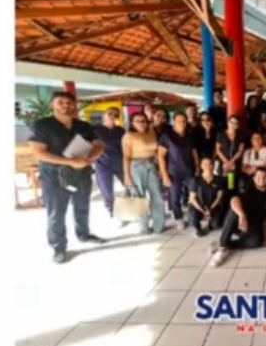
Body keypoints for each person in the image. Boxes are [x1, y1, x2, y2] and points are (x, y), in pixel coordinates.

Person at [28, 91, 106, 263]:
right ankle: (59, 247)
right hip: (54, 177)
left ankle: (84, 234)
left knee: (82, 207)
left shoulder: (83, 126)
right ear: (52, 105)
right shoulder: (43, 124)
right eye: (61, 102)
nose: (66, 106)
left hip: (81, 174)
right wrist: (70, 161)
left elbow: (98, 145)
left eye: (69, 103)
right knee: (56, 213)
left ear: (75, 106)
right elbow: (38, 152)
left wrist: (91, 157)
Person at [207, 167, 266, 267]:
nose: (261, 179)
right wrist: (242, 215)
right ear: (253, 179)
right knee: (233, 212)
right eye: (258, 177)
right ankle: (223, 247)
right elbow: (234, 200)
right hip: (239, 222)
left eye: (264, 177)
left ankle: (226, 244)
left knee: (257, 242)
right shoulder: (248, 189)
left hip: (253, 223)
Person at [122, 112, 167, 235]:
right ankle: (144, 227)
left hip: (151, 165)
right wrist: (126, 175)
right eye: (137, 121)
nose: (141, 123)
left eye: (143, 121)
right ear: (132, 123)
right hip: (136, 167)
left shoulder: (151, 133)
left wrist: (159, 166)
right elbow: (126, 156)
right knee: (140, 198)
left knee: (157, 196)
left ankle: (158, 226)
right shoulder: (129, 136)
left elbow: (155, 151)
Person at [157, 112, 199, 227]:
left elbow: (194, 153)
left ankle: (193, 215)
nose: (182, 123)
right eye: (179, 120)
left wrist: (197, 167)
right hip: (174, 171)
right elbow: (160, 156)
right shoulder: (167, 136)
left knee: (194, 192)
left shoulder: (189, 136)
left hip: (189, 170)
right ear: (174, 122)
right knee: (175, 196)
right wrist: (164, 175)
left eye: (184, 120)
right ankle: (178, 217)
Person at [92, 107, 126, 221]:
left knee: (129, 184)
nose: (113, 116)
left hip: (119, 161)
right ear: (103, 116)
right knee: (106, 188)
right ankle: (111, 210)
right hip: (102, 163)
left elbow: (125, 146)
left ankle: (131, 207)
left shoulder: (120, 130)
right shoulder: (95, 129)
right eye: (110, 114)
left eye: (116, 115)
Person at [187, 157, 227, 237]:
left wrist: (210, 209)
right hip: (198, 206)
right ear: (201, 166)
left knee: (216, 224)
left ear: (213, 166)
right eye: (205, 164)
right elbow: (192, 199)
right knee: (193, 219)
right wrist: (203, 211)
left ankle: (210, 225)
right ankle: (198, 228)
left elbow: (218, 198)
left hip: (213, 205)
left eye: (210, 164)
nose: (208, 166)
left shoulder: (219, 180)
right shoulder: (195, 180)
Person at [215, 115, 245, 188]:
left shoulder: (241, 136)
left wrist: (232, 161)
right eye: (231, 122)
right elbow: (218, 150)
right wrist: (226, 162)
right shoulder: (220, 134)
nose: (233, 125)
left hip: (234, 163)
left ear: (238, 125)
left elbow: (240, 150)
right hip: (223, 162)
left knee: (231, 185)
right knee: (222, 184)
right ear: (228, 123)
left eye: (236, 123)